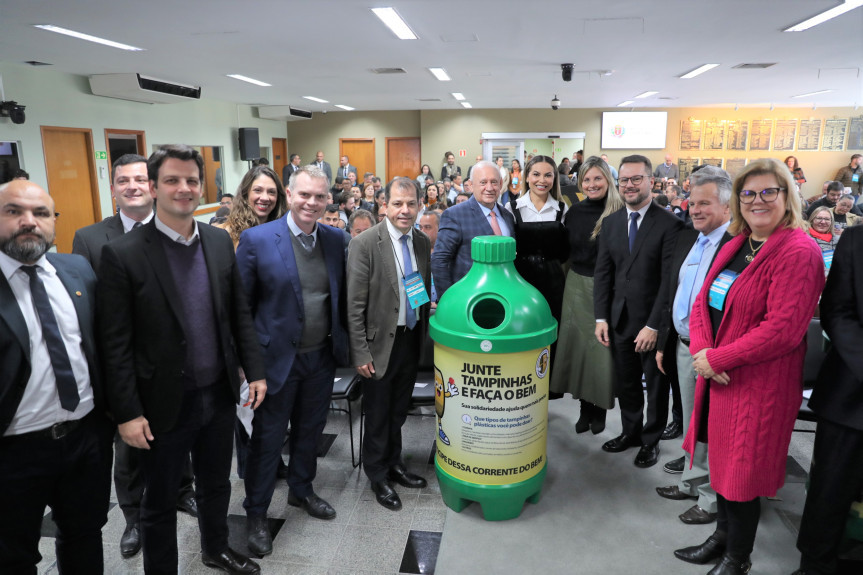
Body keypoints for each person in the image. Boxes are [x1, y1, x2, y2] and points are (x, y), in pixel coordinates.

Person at [98, 144, 266, 575]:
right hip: (161, 401)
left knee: (216, 484)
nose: (184, 188)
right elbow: (114, 343)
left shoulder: (217, 240)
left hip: (217, 391)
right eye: (172, 180)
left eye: (192, 180)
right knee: (160, 498)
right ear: (153, 188)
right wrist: (127, 413)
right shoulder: (125, 254)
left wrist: (255, 371)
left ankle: (215, 548)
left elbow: (237, 315)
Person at [675, 158, 824, 575]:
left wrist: (716, 358)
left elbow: (783, 330)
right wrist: (705, 354)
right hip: (719, 377)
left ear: (786, 196)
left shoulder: (798, 250)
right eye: (748, 194)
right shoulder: (738, 243)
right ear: (738, 201)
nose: (758, 201)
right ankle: (721, 539)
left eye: (768, 192)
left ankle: (738, 559)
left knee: (741, 477)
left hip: (758, 386)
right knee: (722, 468)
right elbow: (703, 301)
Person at [72, 153, 197, 559]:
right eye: (123, 180)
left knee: (179, 438)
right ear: (114, 190)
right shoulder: (90, 239)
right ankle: (133, 517)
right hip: (127, 369)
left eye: (141, 179)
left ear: (154, 184)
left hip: (176, 365)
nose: (133, 186)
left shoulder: (179, 230)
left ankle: (182, 491)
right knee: (130, 451)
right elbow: (96, 313)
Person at [0, 180, 113, 574]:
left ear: (54, 223)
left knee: (85, 535)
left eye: (41, 213)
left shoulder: (76, 269)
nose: (28, 222)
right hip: (14, 451)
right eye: (13, 211)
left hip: (84, 439)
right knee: (14, 556)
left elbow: (100, 346)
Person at [236, 165, 349, 555]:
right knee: (267, 441)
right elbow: (242, 309)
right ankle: (256, 514)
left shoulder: (337, 240)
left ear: (328, 200)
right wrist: (249, 368)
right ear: (289, 193)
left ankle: (302, 490)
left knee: (309, 432)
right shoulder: (257, 239)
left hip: (320, 359)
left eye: (319, 197)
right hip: (273, 364)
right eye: (304, 195)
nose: (311, 203)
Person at [654, 165, 733, 527]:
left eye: (705, 203)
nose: (695, 209)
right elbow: (676, 292)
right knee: (693, 424)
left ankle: (711, 499)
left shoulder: (734, 247)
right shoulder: (691, 239)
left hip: (713, 354)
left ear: (727, 208)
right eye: (692, 202)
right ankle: (692, 483)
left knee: (713, 429)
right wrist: (666, 342)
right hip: (685, 346)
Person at [347, 177, 431, 511]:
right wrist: (359, 351)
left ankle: (394, 463)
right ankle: (377, 474)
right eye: (397, 203)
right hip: (377, 345)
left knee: (398, 410)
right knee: (378, 413)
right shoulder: (366, 243)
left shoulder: (422, 242)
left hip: (409, 340)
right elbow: (353, 305)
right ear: (385, 205)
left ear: (419, 204)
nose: (405, 210)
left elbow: (418, 288)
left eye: (411, 203)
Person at [593, 154, 683, 469]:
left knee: (656, 385)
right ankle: (630, 432)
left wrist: (654, 326)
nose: (629, 186)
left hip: (653, 323)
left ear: (651, 181)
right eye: (624, 180)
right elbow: (604, 273)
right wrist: (601, 317)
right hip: (618, 319)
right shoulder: (612, 222)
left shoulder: (670, 224)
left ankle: (650, 440)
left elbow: (670, 281)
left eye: (636, 179)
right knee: (626, 382)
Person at [795, 224, 863, 575]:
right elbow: (837, 310)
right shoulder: (855, 239)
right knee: (830, 491)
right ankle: (815, 567)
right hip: (851, 394)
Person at [550, 156, 622, 433]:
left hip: (607, 289)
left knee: (601, 352)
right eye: (587, 179)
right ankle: (584, 408)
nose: (592, 184)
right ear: (580, 183)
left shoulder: (619, 212)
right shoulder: (575, 212)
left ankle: (599, 408)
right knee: (580, 349)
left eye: (597, 179)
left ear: (608, 180)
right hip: (576, 284)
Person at [504, 155, 569, 367]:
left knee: (552, 325)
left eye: (548, 175)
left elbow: (566, 249)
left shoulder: (561, 208)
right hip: (521, 278)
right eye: (536, 174)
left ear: (554, 179)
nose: (542, 180)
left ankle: (550, 382)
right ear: (527, 177)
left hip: (554, 279)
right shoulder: (512, 208)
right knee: (524, 325)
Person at [432, 160, 516, 298]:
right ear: (471, 185)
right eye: (483, 182)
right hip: (468, 299)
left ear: (501, 184)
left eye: (494, 182)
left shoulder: (507, 216)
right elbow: (440, 260)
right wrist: (448, 300)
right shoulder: (454, 215)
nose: (489, 188)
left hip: (505, 297)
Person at [218, 165, 288, 249]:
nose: (265, 198)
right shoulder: (224, 233)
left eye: (271, 192)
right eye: (257, 190)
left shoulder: (285, 231)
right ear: (245, 193)